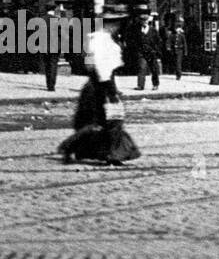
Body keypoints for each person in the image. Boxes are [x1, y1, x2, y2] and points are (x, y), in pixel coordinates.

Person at [59, 16, 140, 166]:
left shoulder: (99, 39)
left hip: (99, 84)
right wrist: (111, 91)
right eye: (115, 24)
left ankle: (104, 153)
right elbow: (101, 67)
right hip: (102, 86)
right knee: (111, 122)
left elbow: (93, 64)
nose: (117, 27)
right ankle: (110, 154)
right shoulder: (102, 41)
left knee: (103, 122)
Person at [133, 11, 162, 91]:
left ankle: (155, 84)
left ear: (148, 21)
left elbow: (158, 41)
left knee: (154, 69)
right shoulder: (137, 30)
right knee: (141, 68)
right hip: (141, 53)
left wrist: (156, 51)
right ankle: (140, 85)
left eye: (145, 20)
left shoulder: (153, 30)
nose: (144, 22)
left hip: (151, 52)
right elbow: (135, 41)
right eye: (142, 20)